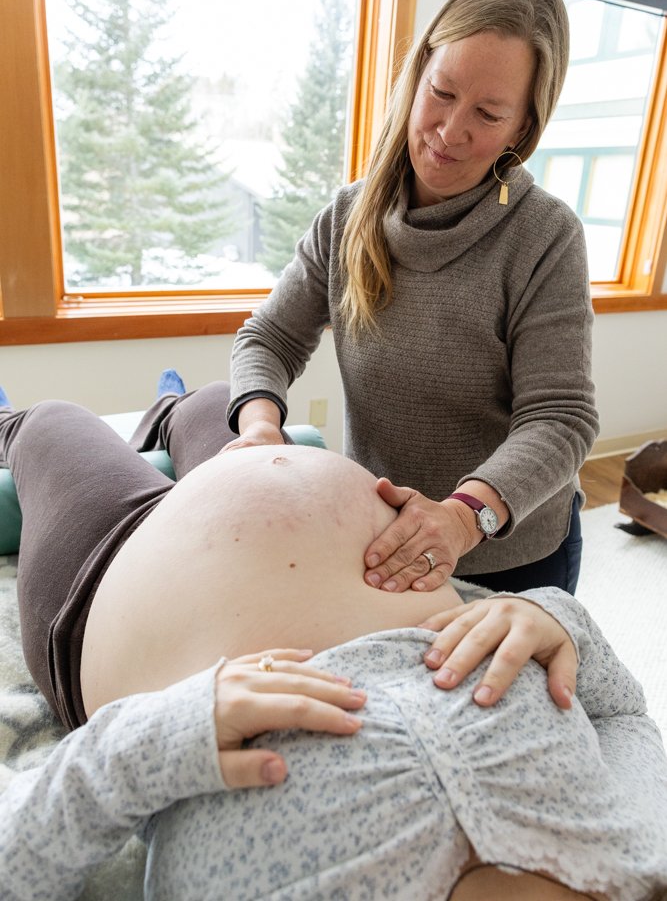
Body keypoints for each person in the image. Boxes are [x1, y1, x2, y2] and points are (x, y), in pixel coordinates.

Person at [0, 379, 666, 900]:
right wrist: (553, 618)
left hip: (108, 575)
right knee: (216, 404)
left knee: (50, 424)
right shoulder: (647, 855)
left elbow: (15, 863)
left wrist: (164, 733)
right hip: (269, 473)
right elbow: (619, 716)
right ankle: (169, 413)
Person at [226, 0, 600, 598]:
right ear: (417, 76)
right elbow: (268, 339)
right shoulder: (348, 217)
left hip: (509, 553)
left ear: (522, 130)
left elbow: (559, 420)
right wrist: (261, 428)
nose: (451, 132)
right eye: (443, 92)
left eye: (488, 113)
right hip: (382, 538)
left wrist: (462, 517)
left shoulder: (546, 237)